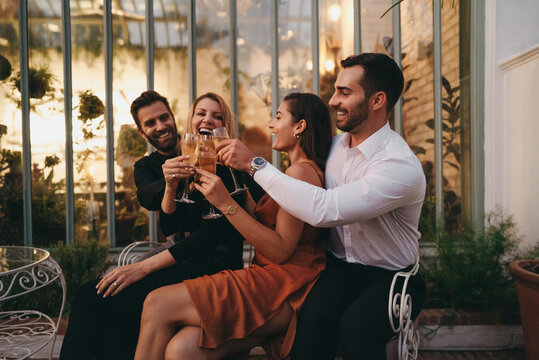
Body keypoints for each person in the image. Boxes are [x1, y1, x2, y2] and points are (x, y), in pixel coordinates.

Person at [217, 53, 427, 359]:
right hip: (338, 268)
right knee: (310, 329)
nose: (332, 101)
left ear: (377, 100)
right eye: (336, 91)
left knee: (356, 330)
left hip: (391, 276)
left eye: (345, 92)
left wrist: (253, 163)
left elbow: (325, 209)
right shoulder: (335, 148)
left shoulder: (398, 165)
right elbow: (297, 183)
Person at [133, 92, 332, 360]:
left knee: (156, 303)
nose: (271, 125)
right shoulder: (291, 171)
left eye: (278, 117)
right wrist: (237, 177)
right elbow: (263, 222)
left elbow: (280, 250)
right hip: (271, 277)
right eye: (201, 113)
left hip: (285, 283)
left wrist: (225, 202)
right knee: (181, 350)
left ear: (300, 127)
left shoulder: (301, 172)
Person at [59, 91, 249, 360]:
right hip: (188, 259)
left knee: (93, 297)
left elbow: (212, 233)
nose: (160, 126)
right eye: (151, 123)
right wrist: (171, 184)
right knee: (105, 305)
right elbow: (169, 223)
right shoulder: (153, 165)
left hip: (212, 265)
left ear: (174, 117)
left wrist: (142, 267)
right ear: (141, 131)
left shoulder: (224, 161)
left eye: (164, 118)